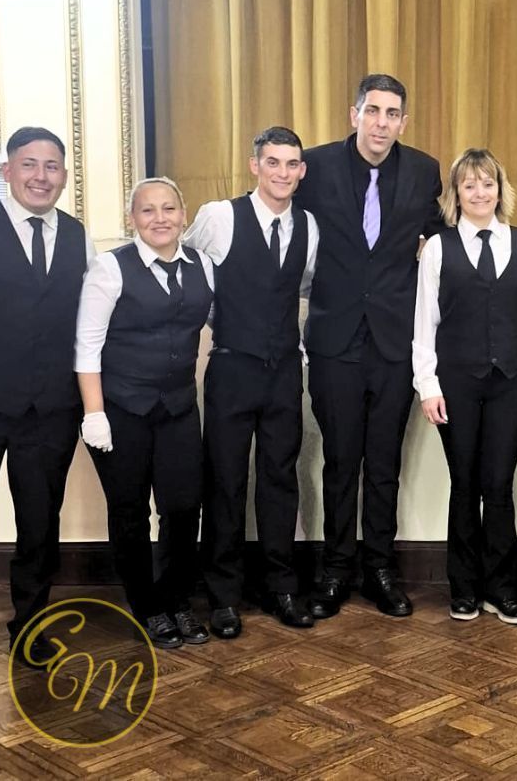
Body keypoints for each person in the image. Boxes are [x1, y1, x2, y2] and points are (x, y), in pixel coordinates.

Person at [297, 73, 442, 619]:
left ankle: (380, 568)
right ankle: (336, 570)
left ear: (403, 121)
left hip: (392, 342)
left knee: (384, 463)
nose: (382, 122)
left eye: (393, 114)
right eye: (373, 111)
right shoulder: (316, 166)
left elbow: (436, 238)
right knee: (340, 460)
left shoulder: (425, 171)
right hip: (335, 340)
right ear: (354, 113)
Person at [185, 127, 319, 639]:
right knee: (224, 480)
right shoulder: (220, 216)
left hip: (285, 369)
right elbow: (191, 264)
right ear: (254, 165)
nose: (282, 173)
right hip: (232, 366)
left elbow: (302, 285)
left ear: (302, 171)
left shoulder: (309, 226)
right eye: (273, 162)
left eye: (291, 164)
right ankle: (222, 595)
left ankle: (280, 586)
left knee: (280, 478)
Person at [75, 177, 214, 650]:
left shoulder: (204, 266)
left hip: (177, 407)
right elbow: (87, 345)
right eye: (148, 210)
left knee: (182, 507)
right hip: (122, 410)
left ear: (183, 214)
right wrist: (94, 413)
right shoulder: (110, 270)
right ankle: (148, 607)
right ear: (132, 219)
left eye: (169, 208)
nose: (160, 218)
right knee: (130, 511)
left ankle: (177, 600)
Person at [0, 127, 95, 654]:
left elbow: (90, 323)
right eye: (29, 165)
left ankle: (28, 627)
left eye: (51, 167)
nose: (40, 176)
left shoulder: (77, 236)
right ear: (7, 172)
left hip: (50, 409)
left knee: (39, 524)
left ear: (64, 177)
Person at [413, 149, 517, 624]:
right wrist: (427, 385)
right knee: (464, 484)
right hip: (456, 383)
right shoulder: (439, 248)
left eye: (488, 183)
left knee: (500, 485)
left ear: (500, 190)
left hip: (512, 380)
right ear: (457, 195)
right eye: (469, 185)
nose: (480, 193)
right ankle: (463, 589)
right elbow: (426, 322)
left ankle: (504, 590)